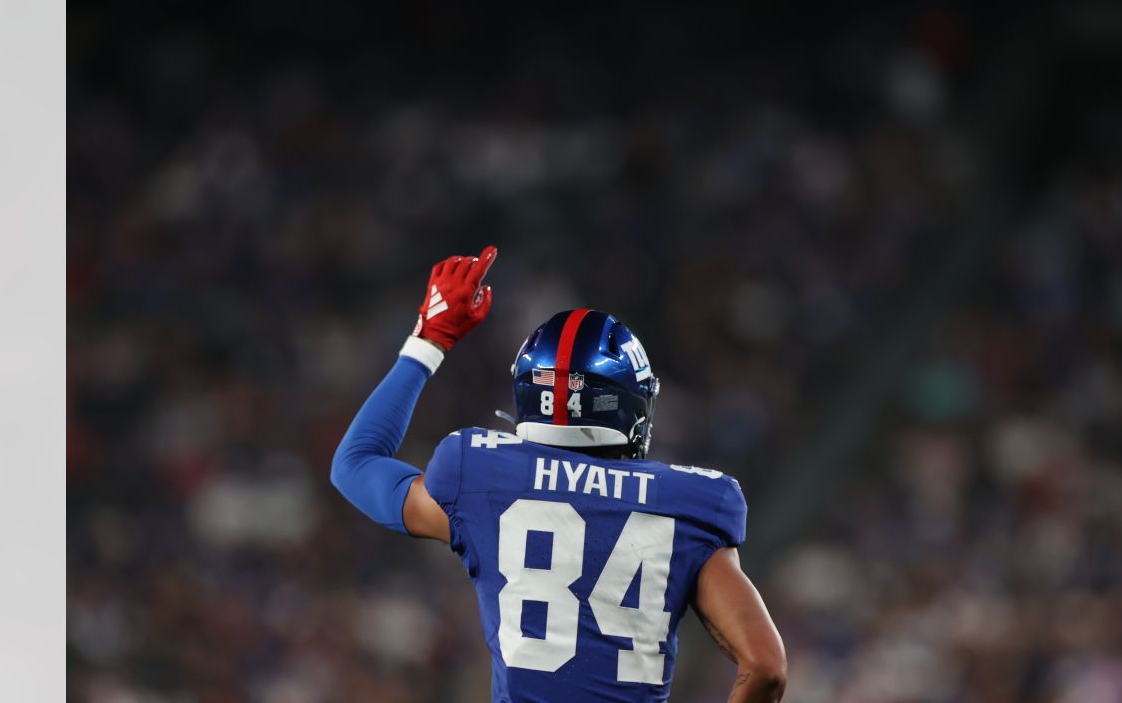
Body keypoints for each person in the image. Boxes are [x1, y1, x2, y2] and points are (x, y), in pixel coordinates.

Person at [331, 246, 787, 702]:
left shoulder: (480, 475)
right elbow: (765, 667)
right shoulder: (692, 502)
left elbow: (355, 464)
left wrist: (428, 342)